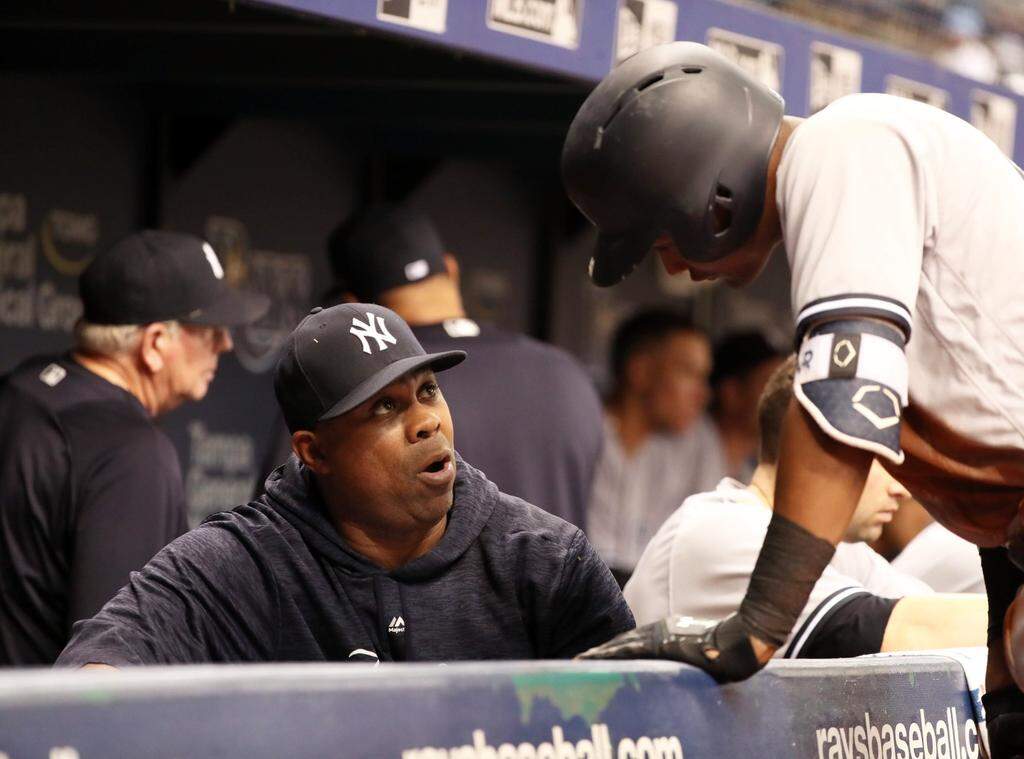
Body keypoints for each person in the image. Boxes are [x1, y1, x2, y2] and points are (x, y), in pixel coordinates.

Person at [562, 42, 1024, 757]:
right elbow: (1012, 477)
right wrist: (1006, 671)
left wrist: (756, 627)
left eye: (659, 237)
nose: (672, 264)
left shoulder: (843, 147)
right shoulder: (859, 156)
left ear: (711, 196)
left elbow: (844, 404)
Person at [56, 304, 632, 667]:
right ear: (314, 450)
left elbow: (640, 719)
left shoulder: (544, 560)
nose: (426, 421)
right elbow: (100, 668)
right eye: (385, 407)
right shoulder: (243, 563)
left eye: (427, 391)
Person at [0, 230, 268, 667]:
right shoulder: (130, 453)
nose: (226, 344)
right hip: (43, 730)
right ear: (156, 342)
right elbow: (115, 663)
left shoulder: (20, 389)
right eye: (210, 330)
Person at [624, 357, 985, 657]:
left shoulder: (845, 553)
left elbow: (937, 618)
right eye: (883, 459)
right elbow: (908, 633)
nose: (901, 489)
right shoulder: (724, 526)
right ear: (814, 447)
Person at [300, 203, 603, 529]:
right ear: (450, 269)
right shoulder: (567, 373)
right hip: (557, 578)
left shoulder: (360, 387)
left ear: (351, 306)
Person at [588, 308, 724, 583]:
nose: (703, 393)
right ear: (640, 371)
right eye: (689, 374)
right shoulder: (581, 430)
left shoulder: (698, 441)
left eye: (704, 377)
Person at [709, 331, 783, 481]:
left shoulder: (749, 470)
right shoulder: (679, 448)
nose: (785, 400)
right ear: (731, 393)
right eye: (772, 386)